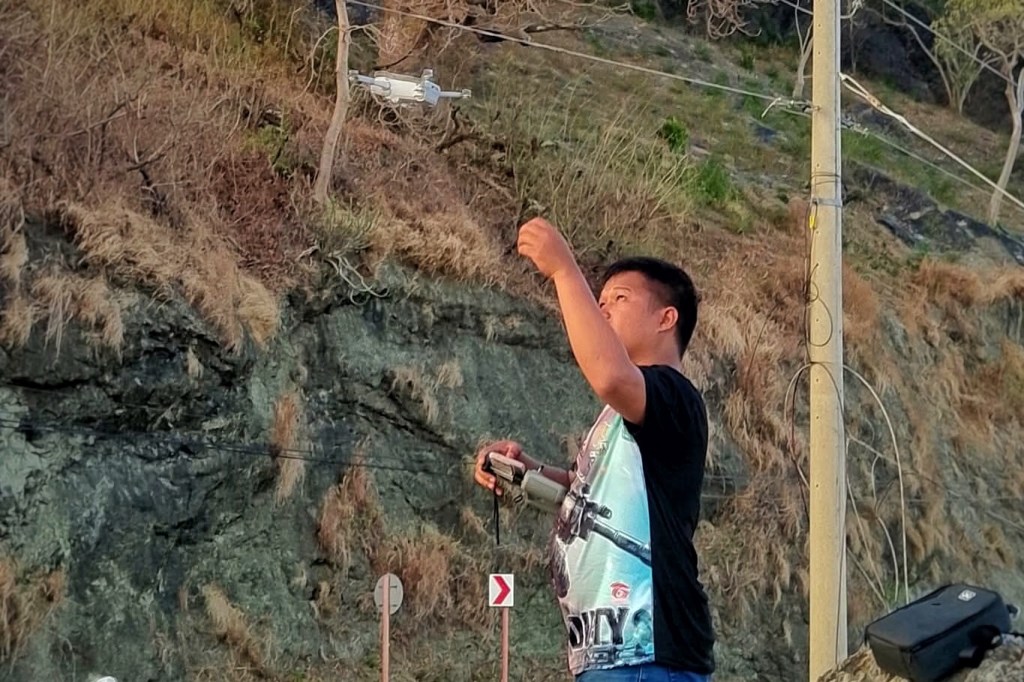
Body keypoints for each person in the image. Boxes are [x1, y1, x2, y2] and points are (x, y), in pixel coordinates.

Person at [473, 217, 715, 682]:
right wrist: (525, 469)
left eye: (619, 300)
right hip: (606, 653)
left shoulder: (674, 396)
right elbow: (586, 490)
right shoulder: (618, 416)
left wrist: (564, 270)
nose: (603, 311)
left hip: (649, 653)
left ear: (666, 319)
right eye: (599, 303)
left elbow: (610, 375)